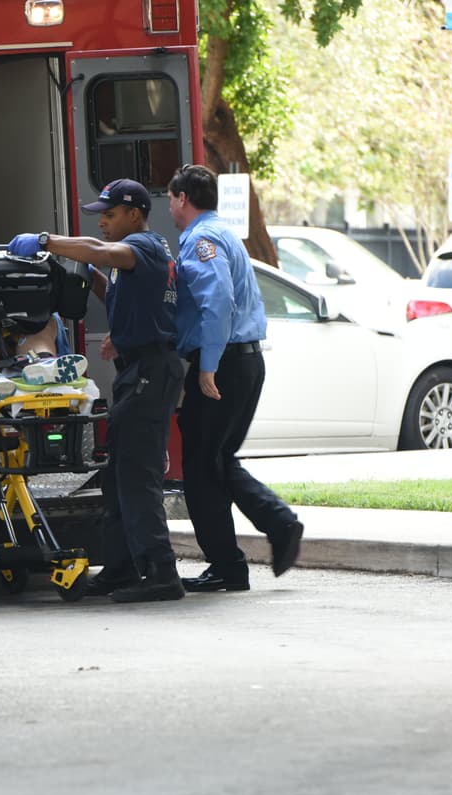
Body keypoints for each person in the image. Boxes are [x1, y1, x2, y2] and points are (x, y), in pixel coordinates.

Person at [8, 178, 185, 603]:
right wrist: (85, 277)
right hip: (137, 370)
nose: (102, 222)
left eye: (110, 214)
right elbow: (117, 288)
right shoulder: (133, 257)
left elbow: (99, 250)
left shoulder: (142, 246)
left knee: (137, 477)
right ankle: (121, 569)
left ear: (135, 214)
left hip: (150, 371)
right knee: (116, 476)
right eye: (100, 215)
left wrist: (47, 242)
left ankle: (162, 573)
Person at [166, 164, 302, 591]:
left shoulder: (201, 239)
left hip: (223, 364)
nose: (169, 206)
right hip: (242, 360)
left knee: (203, 466)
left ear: (182, 199)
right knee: (215, 460)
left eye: (170, 198)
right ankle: (259, 540)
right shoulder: (222, 232)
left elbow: (219, 300)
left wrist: (207, 365)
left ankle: (244, 552)